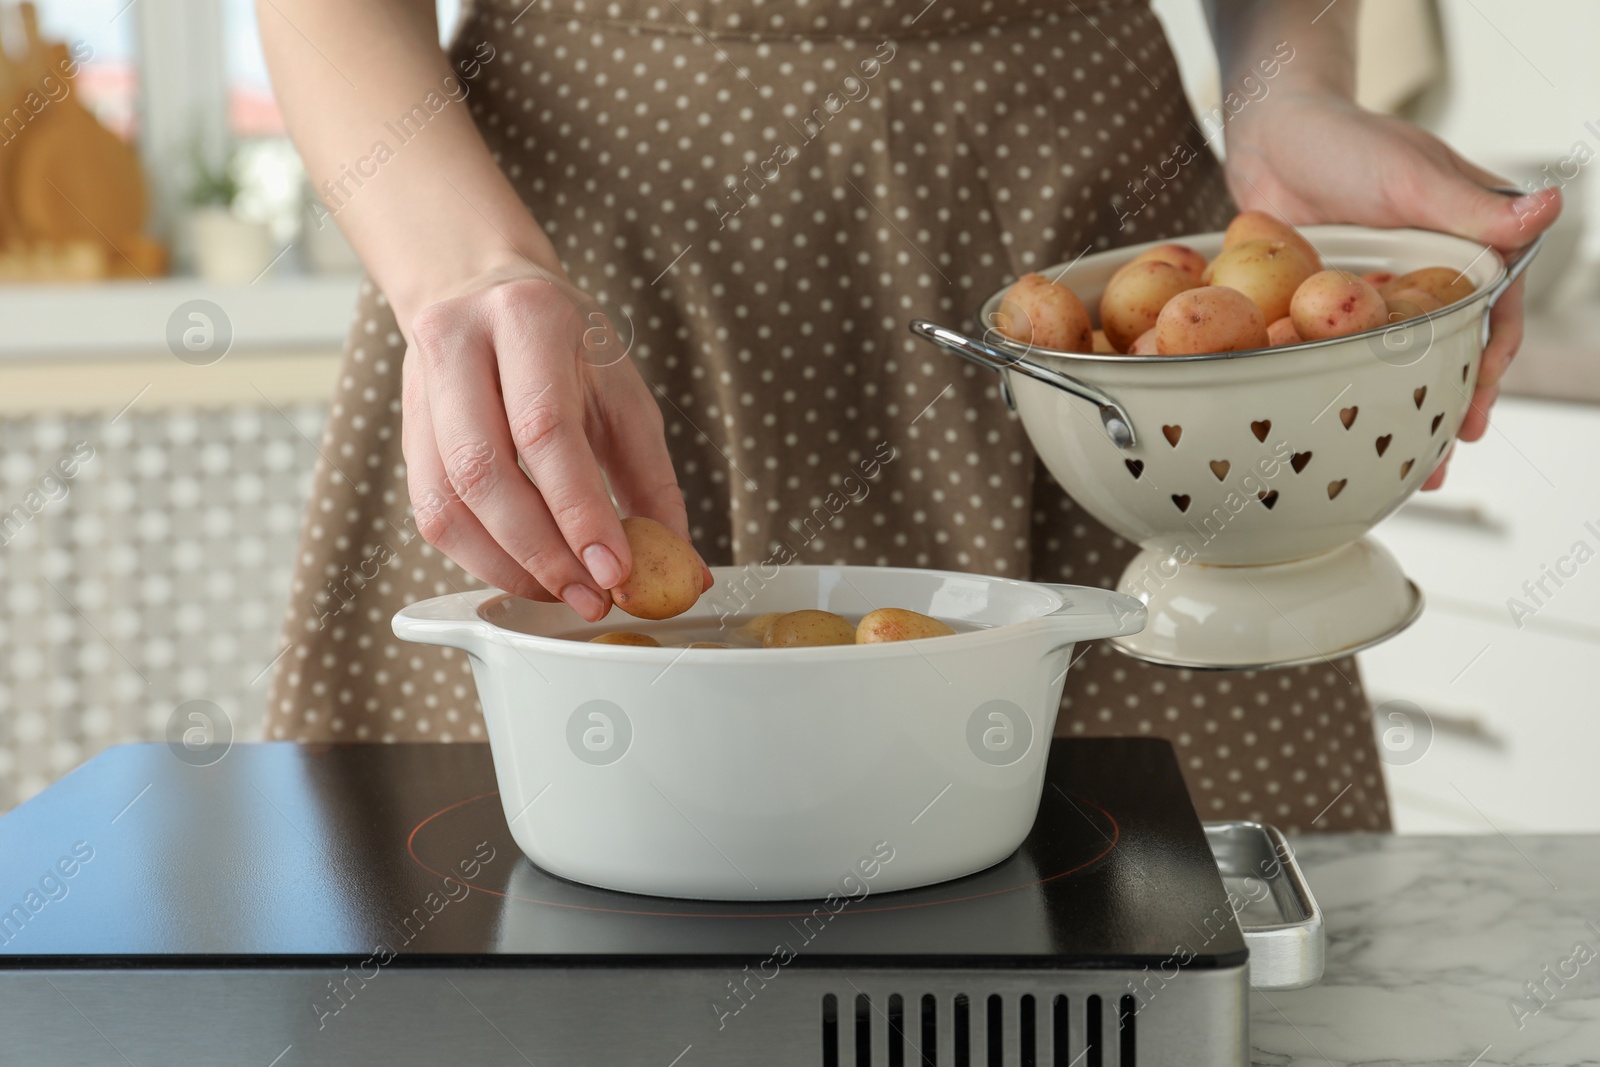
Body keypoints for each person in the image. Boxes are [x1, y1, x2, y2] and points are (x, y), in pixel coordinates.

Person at [259, 0, 1558, 832]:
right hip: (573, 284)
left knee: (1193, 957)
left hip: (1091, 264)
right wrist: (468, 272)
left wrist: (1285, 96)